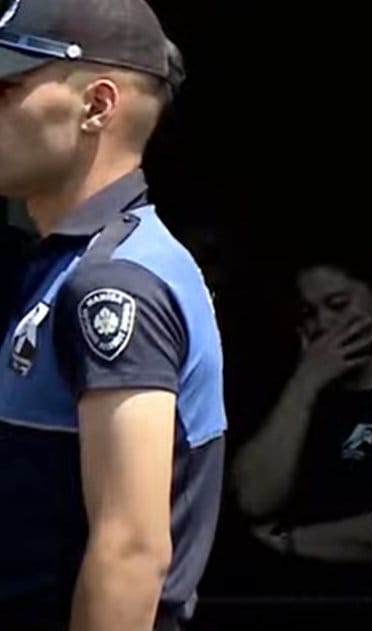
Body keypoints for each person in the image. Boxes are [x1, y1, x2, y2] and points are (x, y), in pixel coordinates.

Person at [0, 0, 225, 629]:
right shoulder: (60, 264)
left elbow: (130, 552)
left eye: (8, 87)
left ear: (97, 106)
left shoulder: (115, 283)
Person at [231, 252, 372, 595]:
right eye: (309, 313)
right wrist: (307, 381)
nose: (324, 323)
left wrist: (293, 541)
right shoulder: (287, 393)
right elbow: (253, 499)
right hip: (289, 597)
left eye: (338, 305)